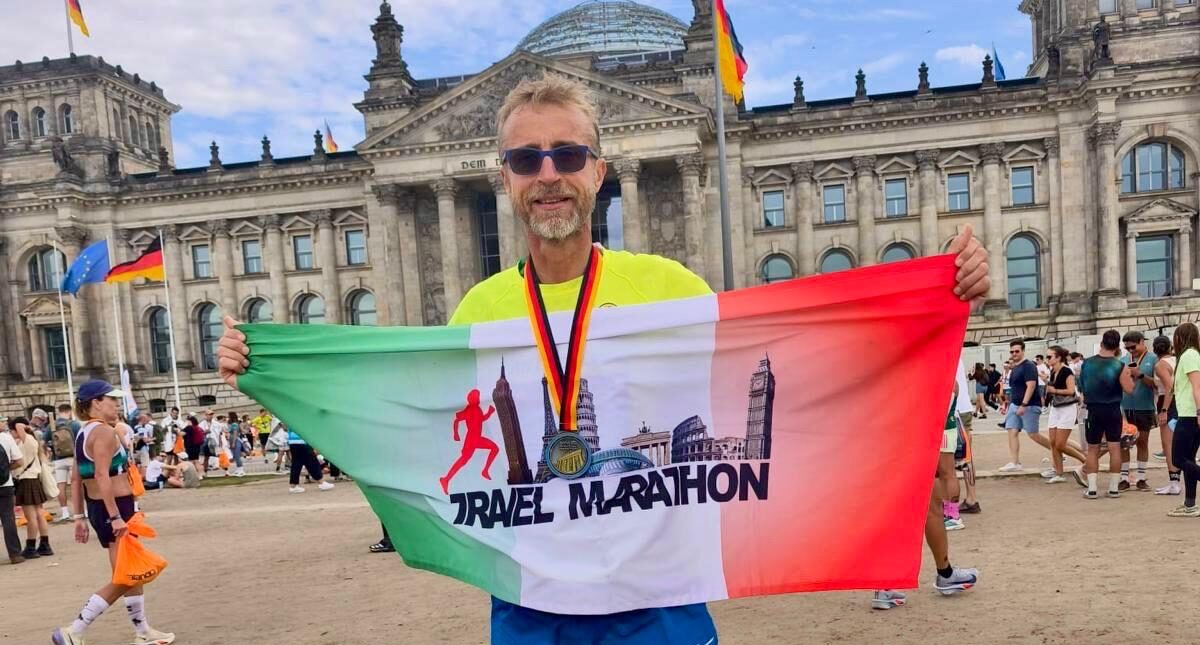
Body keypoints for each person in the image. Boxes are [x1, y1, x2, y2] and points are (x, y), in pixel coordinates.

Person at [216, 73, 991, 645]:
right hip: (531, 609)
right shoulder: (478, 311)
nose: (548, 174)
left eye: (566, 154)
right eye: (527, 159)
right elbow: (410, 430)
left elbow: (794, 377)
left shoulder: (670, 288)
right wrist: (272, 367)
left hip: (660, 609)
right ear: (503, 177)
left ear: (598, 168)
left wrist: (937, 302)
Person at [51, 380, 175, 645]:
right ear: (96, 402)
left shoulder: (83, 432)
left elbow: (77, 478)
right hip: (115, 507)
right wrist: (116, 516)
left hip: (100, 507)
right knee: (126, 575)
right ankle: (74, 630)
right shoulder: (104, 432)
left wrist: (79, 517)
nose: (117, 404)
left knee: (130, 570)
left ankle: (143, 631)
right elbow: (101, 475)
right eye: (112, 399)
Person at [1077, 330, 1135, 500]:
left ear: (1102, 343)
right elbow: (1129, 389)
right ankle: (1114, 488)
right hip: (1113, 409)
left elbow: (1082, 388)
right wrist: (1132, 376)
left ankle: (1092, 488)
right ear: (1117, 347)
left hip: (1094, 410)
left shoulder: (1087, 363)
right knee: (1114, 447)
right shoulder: (1119, 366)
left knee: (1093, 449)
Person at [1167, 323, 1200, 517]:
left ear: (1180, 338)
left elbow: (1197, 386)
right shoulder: (1191, 355)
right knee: (1188, 459)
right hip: (1188, 413)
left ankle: (1190, 504)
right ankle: (1190, 504)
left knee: (1178, 459)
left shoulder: (1189, 356)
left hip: (1190, 414)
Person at [8, 416, 52, 559]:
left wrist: (22, 426)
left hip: (25, 480)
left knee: (31, 516)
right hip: (34, 480)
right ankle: (45, 544)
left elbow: (19, 426)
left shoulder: (27, 440)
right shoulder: (32, 440)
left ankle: (31, 546)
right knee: (39, 513)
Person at [1120, 331, 1158, 491]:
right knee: (1123, 443)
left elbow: (1157, 384)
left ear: (1142, 342)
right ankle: (1124, 478)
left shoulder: (1153, 359)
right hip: (1125, 407)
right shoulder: (1123, 360)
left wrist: (1140, 375)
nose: (1131, 350)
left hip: (1144, 407)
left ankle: (1141, 478)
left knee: (1142, 442)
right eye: (1127, 348)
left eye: (1133, 347)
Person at [1044, 346, 1085, 483]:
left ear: (1058, 357)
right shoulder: (1053, 371)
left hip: (1067, 407)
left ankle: (1086, 461)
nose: (1047, 359)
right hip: (1056, 407)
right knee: (1053, 442)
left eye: (1049, 356)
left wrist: (1054, 391)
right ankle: (1058, 472)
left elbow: (1071, 391)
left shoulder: (1067, 371)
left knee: (1060, 444)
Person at [1152, 335, 1181, 495]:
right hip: (1180, 402)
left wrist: (1164, 410)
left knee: (1168, 444)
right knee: (1176, 443)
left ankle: (1174, 482)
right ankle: (1175, 481)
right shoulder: (1177, 360)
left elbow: (1170, 388)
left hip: (1168, 402)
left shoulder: (1161, 365)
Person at [51, 404, 82, 523]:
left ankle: (64, 512)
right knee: (77, 484)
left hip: (58, 459)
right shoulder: (74, 424)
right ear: (69, 411)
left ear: (59, 411)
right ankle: (81, 510)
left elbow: (44, 440)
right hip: (73, 458)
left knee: (61, 486)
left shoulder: (52, 425)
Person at [1, 417, 24, 564]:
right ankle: (15, 554)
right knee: (8, 519)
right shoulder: (6, 438)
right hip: (5, 484)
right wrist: (6, 469)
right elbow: (20, 461)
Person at [285, 423, 334, 494]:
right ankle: (321, 482)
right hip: (302, 441)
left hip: (292, 441)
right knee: (312, 462)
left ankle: (293, 486)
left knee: (296, 464)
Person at [227, 412, 245, 477]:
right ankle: (238, 469)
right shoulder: (233, 424)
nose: (228, 417)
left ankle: (241, 470)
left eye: (229, 416)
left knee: (237, 456)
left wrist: (233, 442)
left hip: (235, 441)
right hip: (232, 440)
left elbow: (235, 433)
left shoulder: (234, 424)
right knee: (235, 456)